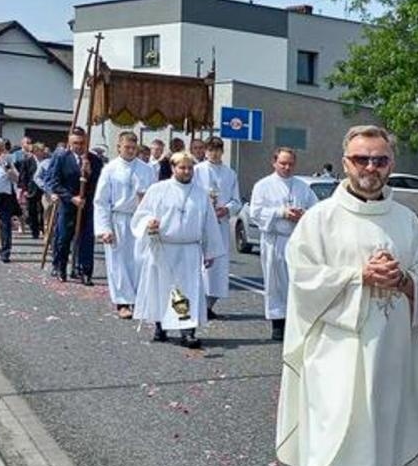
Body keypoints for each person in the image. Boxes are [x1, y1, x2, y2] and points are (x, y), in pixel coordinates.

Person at [277, 127, 418, 466]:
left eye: (380, 160)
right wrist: (358, 276)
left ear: (391, 164)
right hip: (337, 353)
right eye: (362, 159)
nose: (371, 169)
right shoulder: (320, 219)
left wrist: (405, 280)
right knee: (340, 442)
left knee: (375, 442)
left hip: (387, 352)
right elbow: (304, 280)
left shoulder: (405, 220)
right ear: (344, 161)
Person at [131, 152, 223, 349]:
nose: (186, 171)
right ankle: (160, 326)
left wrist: (210, 251)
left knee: (188, 290)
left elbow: (209, 224)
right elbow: (142, 214)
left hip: (189, 250)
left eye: (190, 168)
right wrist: (150, 223)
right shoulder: (158, 190)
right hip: (164, 248)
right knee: (161, 288)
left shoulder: (200, 194)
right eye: (182, 167)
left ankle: (187, 331)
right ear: (173, 168)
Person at [250, 147, 319, 341]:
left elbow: (316, 210)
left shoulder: (302, 186)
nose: (287, 167)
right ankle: (278, 323)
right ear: (274, 162)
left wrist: (303, 215)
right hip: (275, 239)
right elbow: (255, 213)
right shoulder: (263, 186)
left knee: (297, 281)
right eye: (283, 163)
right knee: (276, 283)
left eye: (290, 164)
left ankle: (296, 322)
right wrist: (281, 213)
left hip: (296, 241)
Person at [95, 132, 157, 319]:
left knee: (140, 260)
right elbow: (101, 201)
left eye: (133, 147)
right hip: (118, 219)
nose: (130, 151)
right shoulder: (110, 169)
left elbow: (155, 197)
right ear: (119, 147)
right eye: (127, 147)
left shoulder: (147, 170)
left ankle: (139, 299)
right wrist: (104, 228)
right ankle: (122, 302)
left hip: (140, 220)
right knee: (118, 262)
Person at [45, 127, 104, 284]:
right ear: (70, 143)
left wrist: (90, 173)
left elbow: (101, 184)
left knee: (86, 239)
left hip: (87, 205)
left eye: (82, 143)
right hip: (68, 204)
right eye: (75, 143)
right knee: (63, 238)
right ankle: (60, 267)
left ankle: (85, 271)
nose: (79, 146)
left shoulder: (94, 160)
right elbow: (53, 181)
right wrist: (71, 198)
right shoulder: (61, 158)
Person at [191, 137, 241, 319]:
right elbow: (191, 194)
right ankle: (197, 305)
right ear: (205, 151)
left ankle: (209, 305)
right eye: (211, 150)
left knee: (218, 268)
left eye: (218, 150)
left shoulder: (230, 174)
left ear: (222, 151)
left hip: (220, 226)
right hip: (201, 225)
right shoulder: (196, 170)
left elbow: (236, 201)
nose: (214, 153)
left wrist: (226, 209)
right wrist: (205, 208)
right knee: (202, 266)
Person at [7, 138, 39, 240]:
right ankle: (21, 225)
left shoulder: (34, 154)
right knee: (20, 204)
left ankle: (26, 224)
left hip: (29, 183)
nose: (30, 144)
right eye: (27, 142)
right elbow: (13, 167)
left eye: (30, 142)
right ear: (22, 144)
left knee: (26, 206)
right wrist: (18, 178)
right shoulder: (17, 154)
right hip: (19, 182)